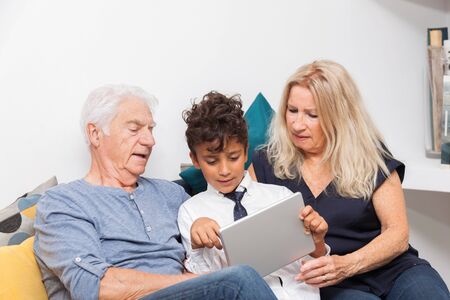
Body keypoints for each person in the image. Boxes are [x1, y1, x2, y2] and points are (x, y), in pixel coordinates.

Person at [33, 84, 278, 300]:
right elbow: (95, 287)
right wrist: (205, 282)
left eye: (151, 129)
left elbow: (204, 258)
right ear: (95, 134)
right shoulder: (62, 202)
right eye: (135, 129)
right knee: (239, 279)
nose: (150, 140)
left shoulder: (172, 194)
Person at [248, 60, 450, 299]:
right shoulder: (266, 163)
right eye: (292, 110)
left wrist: (347, 264)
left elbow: (397, 234)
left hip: (392, 269)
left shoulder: (371, 157)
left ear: (339, 116)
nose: (297, 124)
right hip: (328, 283)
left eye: (312, 115)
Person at [177, 91, 329, 299]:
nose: (224, 170)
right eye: (211, 161)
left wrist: (317, 241)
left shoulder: (281, 197)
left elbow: (313, 265)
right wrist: (197, 247)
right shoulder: (192, 212)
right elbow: (205, 286)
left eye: (233, 157)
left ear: (246, 152)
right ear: (195, 160)